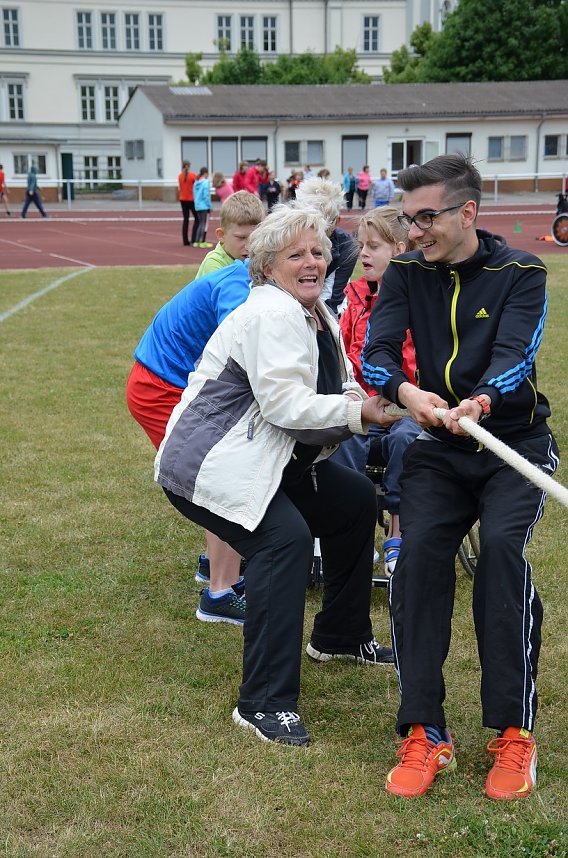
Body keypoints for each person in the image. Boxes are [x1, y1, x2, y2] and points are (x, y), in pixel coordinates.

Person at [154, 205, 395, 747]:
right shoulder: (270, 313)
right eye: (295, 255)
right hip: (210, 466)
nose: (312, 262)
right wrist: (358, 413)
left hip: (271, 461)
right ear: (266, 266)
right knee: (283, 541)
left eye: (317, 252)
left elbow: (341, 380)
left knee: (355, 501)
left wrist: (364, 400)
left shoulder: (316, 312)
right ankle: (262, 702)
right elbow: (286, 406)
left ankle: (339, 636)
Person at [361, 154, 559, 800]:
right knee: (415, 557)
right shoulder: (406, 273)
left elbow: (515, 355)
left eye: (426, 218)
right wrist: (406, 393)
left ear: (467, 212)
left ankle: (513, 731)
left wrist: (480, 402)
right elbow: (376, 353)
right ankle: (425, 730)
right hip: (438, 448)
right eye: (408, 219)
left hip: (511, 445)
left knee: (501, 553)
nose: (415, 232)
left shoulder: (521, 272)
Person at [127, 193, 264, 625]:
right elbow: (242, 348)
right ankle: (220, 593)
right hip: (160, 385)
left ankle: (216, 567)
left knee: (218, 474)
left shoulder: (245, 276)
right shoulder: (238, 282)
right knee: (217, 478)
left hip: (167, 379)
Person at [333, 207, 421, 575]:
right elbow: (343, 355)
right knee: (342, 435)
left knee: (407, 440)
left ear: (399, 250)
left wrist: (405, 396)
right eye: (361, 245)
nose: (363, 253)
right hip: (366, 405)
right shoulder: (354, 298)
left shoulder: (422, 299)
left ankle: (397, 533)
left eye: (373, 246)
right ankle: (354, 531)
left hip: (409, 409)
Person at [295, 176, 358, 315]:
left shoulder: (346, 247)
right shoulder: (286, 237)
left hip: (326, 309)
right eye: (307, 223)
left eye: (321, 227)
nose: (313, 232)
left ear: (336, 221)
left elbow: (331, 300)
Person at [195, 191, 265, 277]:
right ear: (221, 235)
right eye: (241, 238)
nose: (248, 246)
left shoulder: (256, 258)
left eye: (254, 238)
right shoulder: (214, 264)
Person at [192, 167, 212, 248]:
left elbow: (194, 194)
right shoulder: (205, 182)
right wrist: (209, 205)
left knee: (200, 223)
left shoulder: (196, 183)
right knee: (204, 223)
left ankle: (197, 241)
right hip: (204, 206)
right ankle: (202, 241)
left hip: (197, 205)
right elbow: (206, 195)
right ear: (206, 173)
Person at [178, 160, 197, 246]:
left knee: (186, 219)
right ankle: (194, 238)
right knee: (197, 219)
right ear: (189, 166)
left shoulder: (180, 176)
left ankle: (185, 240)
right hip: (191, 199)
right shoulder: (192, 175)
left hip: (182, 199)